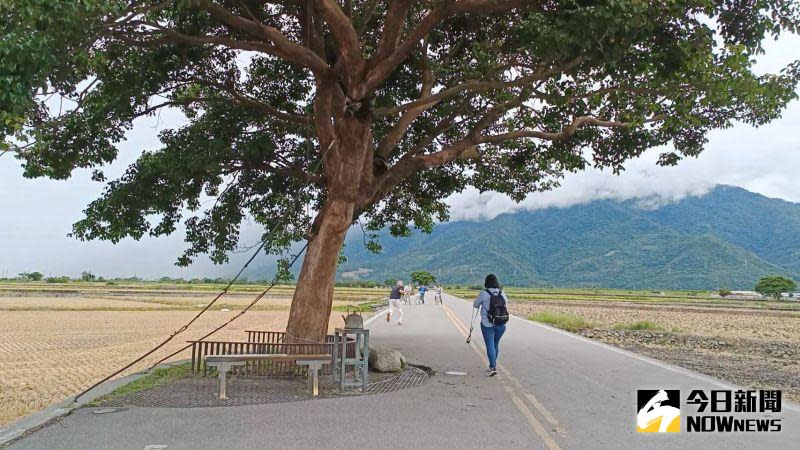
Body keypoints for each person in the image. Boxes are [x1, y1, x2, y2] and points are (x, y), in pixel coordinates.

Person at [473, 274, 509, 376]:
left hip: (487, 323)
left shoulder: (484, 293)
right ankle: (493, 364)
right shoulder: (502, 293)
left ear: (486, 282)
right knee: (495, 344)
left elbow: (475, 304)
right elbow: (506, 303)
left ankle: (493, 366)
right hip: (501, 323)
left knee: (490, 345)